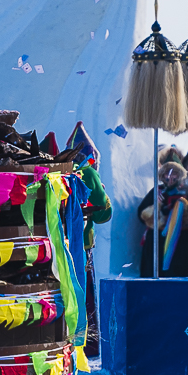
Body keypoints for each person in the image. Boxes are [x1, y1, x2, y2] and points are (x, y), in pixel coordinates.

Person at [64, 123, 112, 358]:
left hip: (59, 243)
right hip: (81, 244)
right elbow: (103, 213)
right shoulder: (89, 173)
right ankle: (84, 346)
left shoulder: (59, 171)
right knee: (83, 294)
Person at [137, 160, 188, 277]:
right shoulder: (157, 191)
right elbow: (141, 212)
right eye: (167, 174)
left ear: (180, 175)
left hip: (181, 241)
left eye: (174, 174)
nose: (170, 177)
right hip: (158, 239)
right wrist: (157, 211)